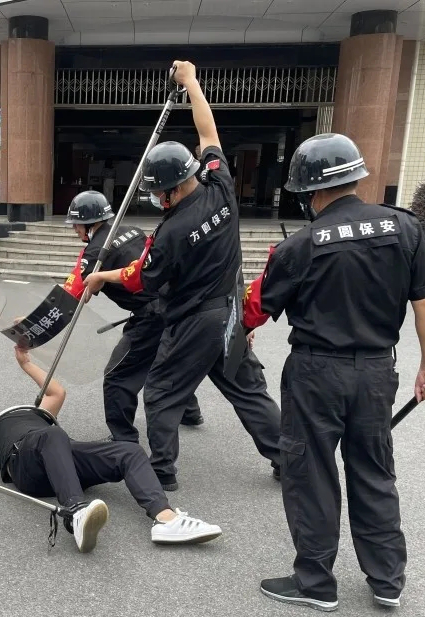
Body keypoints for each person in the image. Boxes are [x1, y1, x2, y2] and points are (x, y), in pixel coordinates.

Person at [251, 133, 425, 612]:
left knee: (311, 473)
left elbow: (259, 305)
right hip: (377, 372)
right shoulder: (404, 228)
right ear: (356, 177)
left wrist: (243, 331)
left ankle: (315, 583)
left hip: (315, 373)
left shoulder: (299, 245)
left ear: (311, 192)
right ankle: (387, 580)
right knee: (374, 470)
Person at [84, 60, 282, 492]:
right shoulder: (220, 185)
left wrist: (103, 277)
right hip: (231, 313)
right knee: (247, 391)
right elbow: (209, 133)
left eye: (158, 192)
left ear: (173, 187)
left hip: (193, 322)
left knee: (160, 391)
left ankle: (162, 473)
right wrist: (192, 82)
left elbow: (141, 280)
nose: (157, 199)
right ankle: (286, 459)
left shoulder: (171, 231)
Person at [0, 346, 223, 551]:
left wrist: (26, 363)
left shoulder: (31, 414)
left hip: (62, 457)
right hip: (26, 465)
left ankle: (166, 519)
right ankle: (75, 512)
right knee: (52, 436)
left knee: (127, 450)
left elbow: (56, 393)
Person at [62, 190, 204, 441]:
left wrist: (34, 325)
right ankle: (190, 411)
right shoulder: (134, 231)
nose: (74, 229)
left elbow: (70, 297)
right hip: (175, 304)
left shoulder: (95, 253)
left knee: (117, 376)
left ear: (87, 223)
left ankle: (123, 438)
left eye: (76, 224)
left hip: (150, 316)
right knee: (161, 357)